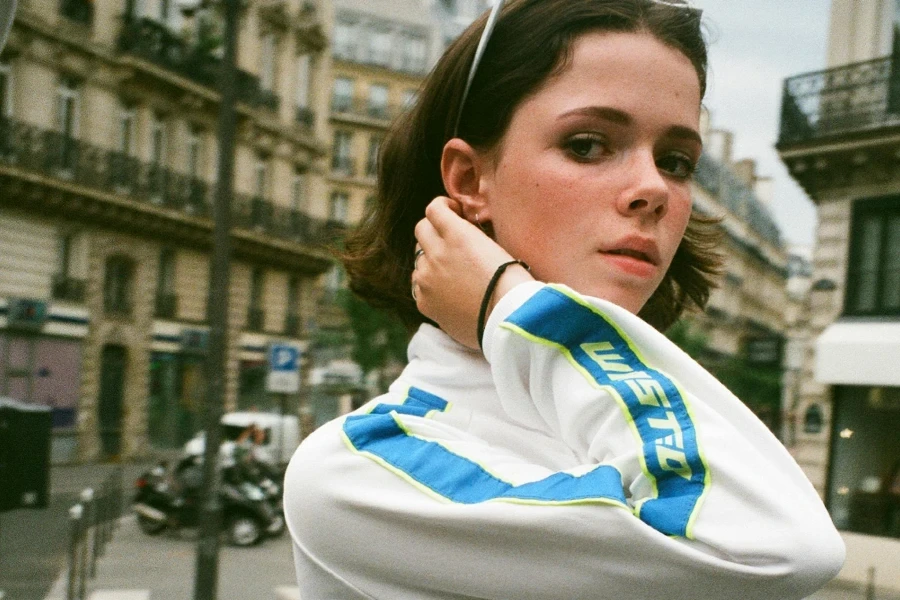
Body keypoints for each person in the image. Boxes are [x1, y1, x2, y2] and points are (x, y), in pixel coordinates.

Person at [284, 1, 845, 599]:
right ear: (471, 182)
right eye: (587, 144)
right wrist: (509, 304)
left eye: (676, 161)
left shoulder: (634, 418)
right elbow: (779, 547)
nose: (653, 187)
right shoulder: (360, 470)